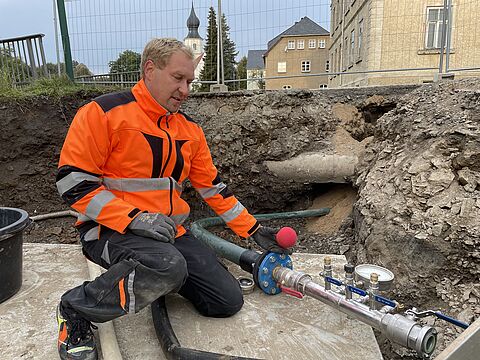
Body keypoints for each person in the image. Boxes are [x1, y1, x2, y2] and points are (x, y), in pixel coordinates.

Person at [55, 38, 287, 360]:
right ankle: (77, 308)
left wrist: (253, 229)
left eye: (190, 81)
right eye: (178, 78)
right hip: (109, 230)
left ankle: (157, 278)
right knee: (167, 265)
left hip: (169, 235)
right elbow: (73, 183)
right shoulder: (103, 113)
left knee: (225, 301)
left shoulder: (189, 130)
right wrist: (135, 218)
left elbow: (213, 189)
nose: (185, 90)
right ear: (150, 70)